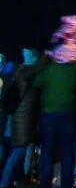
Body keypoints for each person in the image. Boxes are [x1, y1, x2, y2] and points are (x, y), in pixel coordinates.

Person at [35, 46, 76, 188]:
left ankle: (47, 182)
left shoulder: (51, 70)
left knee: (50, 150)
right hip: (72, 115)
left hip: (52, 114)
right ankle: (68, 181)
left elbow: (37, 82)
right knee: (67, 150)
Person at [1, 49, 41, 188]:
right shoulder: (25, 73)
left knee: (18, 151)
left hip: (21, 119)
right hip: (23, 120)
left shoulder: (20, 73)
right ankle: (6, 182)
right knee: (19, 151)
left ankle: (11, 180)